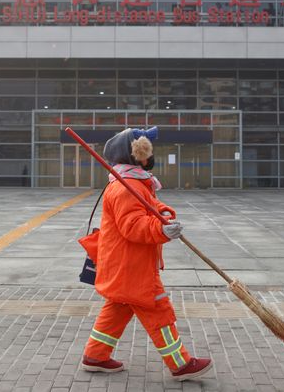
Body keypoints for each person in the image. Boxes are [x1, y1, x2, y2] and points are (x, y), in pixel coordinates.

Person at [81, 128, 213, 381]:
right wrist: (161, 230)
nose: (150, 156)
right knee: (157, 307)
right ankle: (180, 364)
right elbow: (133, 225)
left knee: (118, 307)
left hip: (124, 263)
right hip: (132, 266)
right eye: (147, 152)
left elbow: (148, 207)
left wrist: (163, 214)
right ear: (136, 155)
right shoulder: (125, 187)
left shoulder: (134, 183)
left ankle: (95, 356)